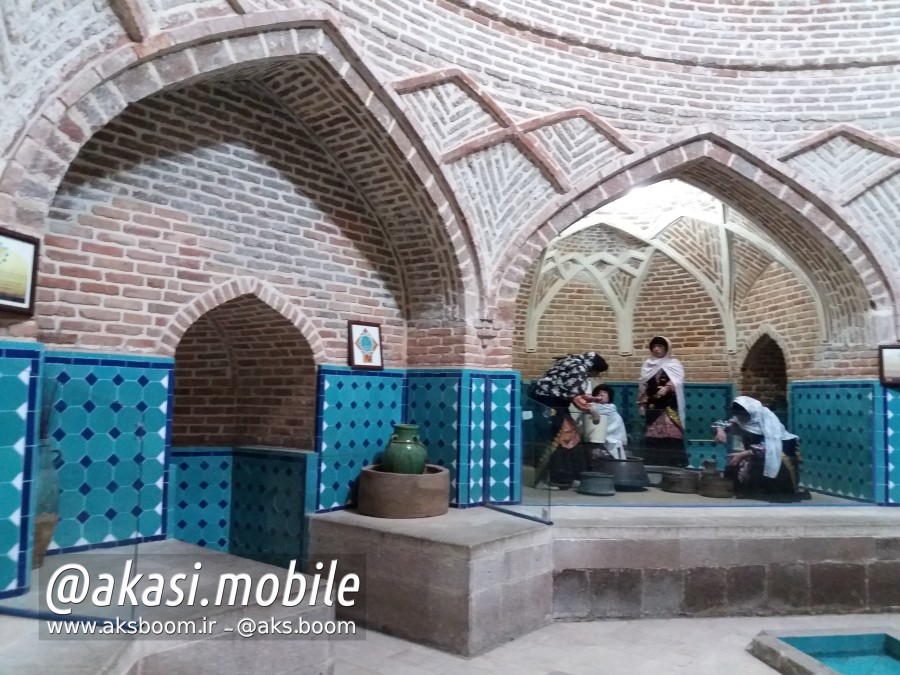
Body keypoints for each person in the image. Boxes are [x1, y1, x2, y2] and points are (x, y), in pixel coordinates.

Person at [528, 351, 609, 489]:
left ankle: (571, 476)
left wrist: (593, 399)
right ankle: (547, 479)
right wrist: (592, 411)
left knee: (572, 436)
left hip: (548, 401)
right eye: (597, 373)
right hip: (549, 403)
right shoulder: (579, 368)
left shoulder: (572, 362)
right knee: (553, 440)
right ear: (594, 368)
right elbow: (575, 397)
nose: (596, 376)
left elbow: (570, 390)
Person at [712, 396, 808, 502]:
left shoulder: (768, 423)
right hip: (756, 454)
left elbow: (770, 446)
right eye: (737, 414)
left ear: (751, 413)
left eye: (742, 414)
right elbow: (719, 424)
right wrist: (720, 430)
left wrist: (743, 454)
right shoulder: (740, 421)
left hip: (782, 452)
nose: (739, 417)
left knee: (778, 480)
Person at [637, 336, 687, 467]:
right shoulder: (647, 365)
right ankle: (653, 465)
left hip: (669, 405)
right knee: (653, 435)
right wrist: (641, 404)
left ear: (666, 348)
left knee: (672, 435)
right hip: (653, 406)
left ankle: (675, 465)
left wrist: (668, 387)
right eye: (654, 347)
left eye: (660, 346)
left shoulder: (674, 364)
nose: (657, 349)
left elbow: (678, 380)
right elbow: (643, 385)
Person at [578, 384, 628, 464]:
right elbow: (581, 425)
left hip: (610, 444)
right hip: (590, 443)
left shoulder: (613, 411)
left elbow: (618, 429)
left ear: (609, 396)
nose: (601, 395)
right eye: (598, 393)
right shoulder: (588, 408)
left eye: (604, 393)